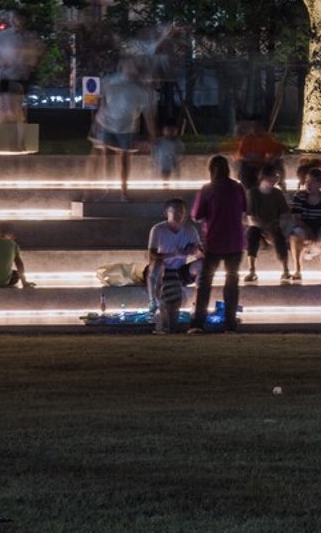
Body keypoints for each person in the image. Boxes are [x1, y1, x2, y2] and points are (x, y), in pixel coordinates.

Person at [190, 154, 248, 333]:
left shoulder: (207, 189)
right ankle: (230, 324)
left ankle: (198, 323)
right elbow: (245, 209)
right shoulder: (238, 188)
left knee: (205, 283)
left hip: (214, 241)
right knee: (232, 281)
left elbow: (197, 214)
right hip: (235, 241)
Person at [94, 59, 155, 199]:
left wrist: (151, 134)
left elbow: (147, 113)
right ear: (122, 67)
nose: (132, 69)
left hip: (127, 128)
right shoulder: (111, 82)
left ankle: (123, 191)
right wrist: (97, 122)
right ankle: (107, 190)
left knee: (124, 160)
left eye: (134, 66)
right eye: (129, 66)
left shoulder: (140, 89)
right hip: (107, 124)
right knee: (107, 157)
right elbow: (101, 102)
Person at [147, 199, 204, 334]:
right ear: (167, 213)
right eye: (176, 211)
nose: (180, 215)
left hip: (180, 270)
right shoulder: (158, 229)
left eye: (182, 212)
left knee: (203, 265)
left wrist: (195, 250)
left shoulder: (190, 230)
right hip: (164, 268)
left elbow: (200, 254)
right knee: (156, 266)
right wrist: (174, 254)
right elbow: (152, 255)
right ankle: (153, 302)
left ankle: (199, 305)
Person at [289, 165, 321, 283]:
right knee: (297, 234)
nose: (308, 184)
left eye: (312, 182)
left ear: (320, 184)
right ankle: (297, 269)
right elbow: (296, 217)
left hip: (320, 229)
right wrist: (308, 231)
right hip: (303, 227)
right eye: (307, 181)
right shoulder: (299, 196)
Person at [245, 162, 291, 284]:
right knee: (252, 232)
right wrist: (266, 231)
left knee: (278, 233)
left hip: (273, 226)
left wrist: (280, 228)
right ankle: (252, 270)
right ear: (265, 177)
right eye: (274, 176)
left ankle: (286, 270)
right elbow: (251, 218)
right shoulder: (253, 193)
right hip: (259, 227)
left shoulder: (277, 193)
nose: (276, 179)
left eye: (277, 176)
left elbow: (285, 214)